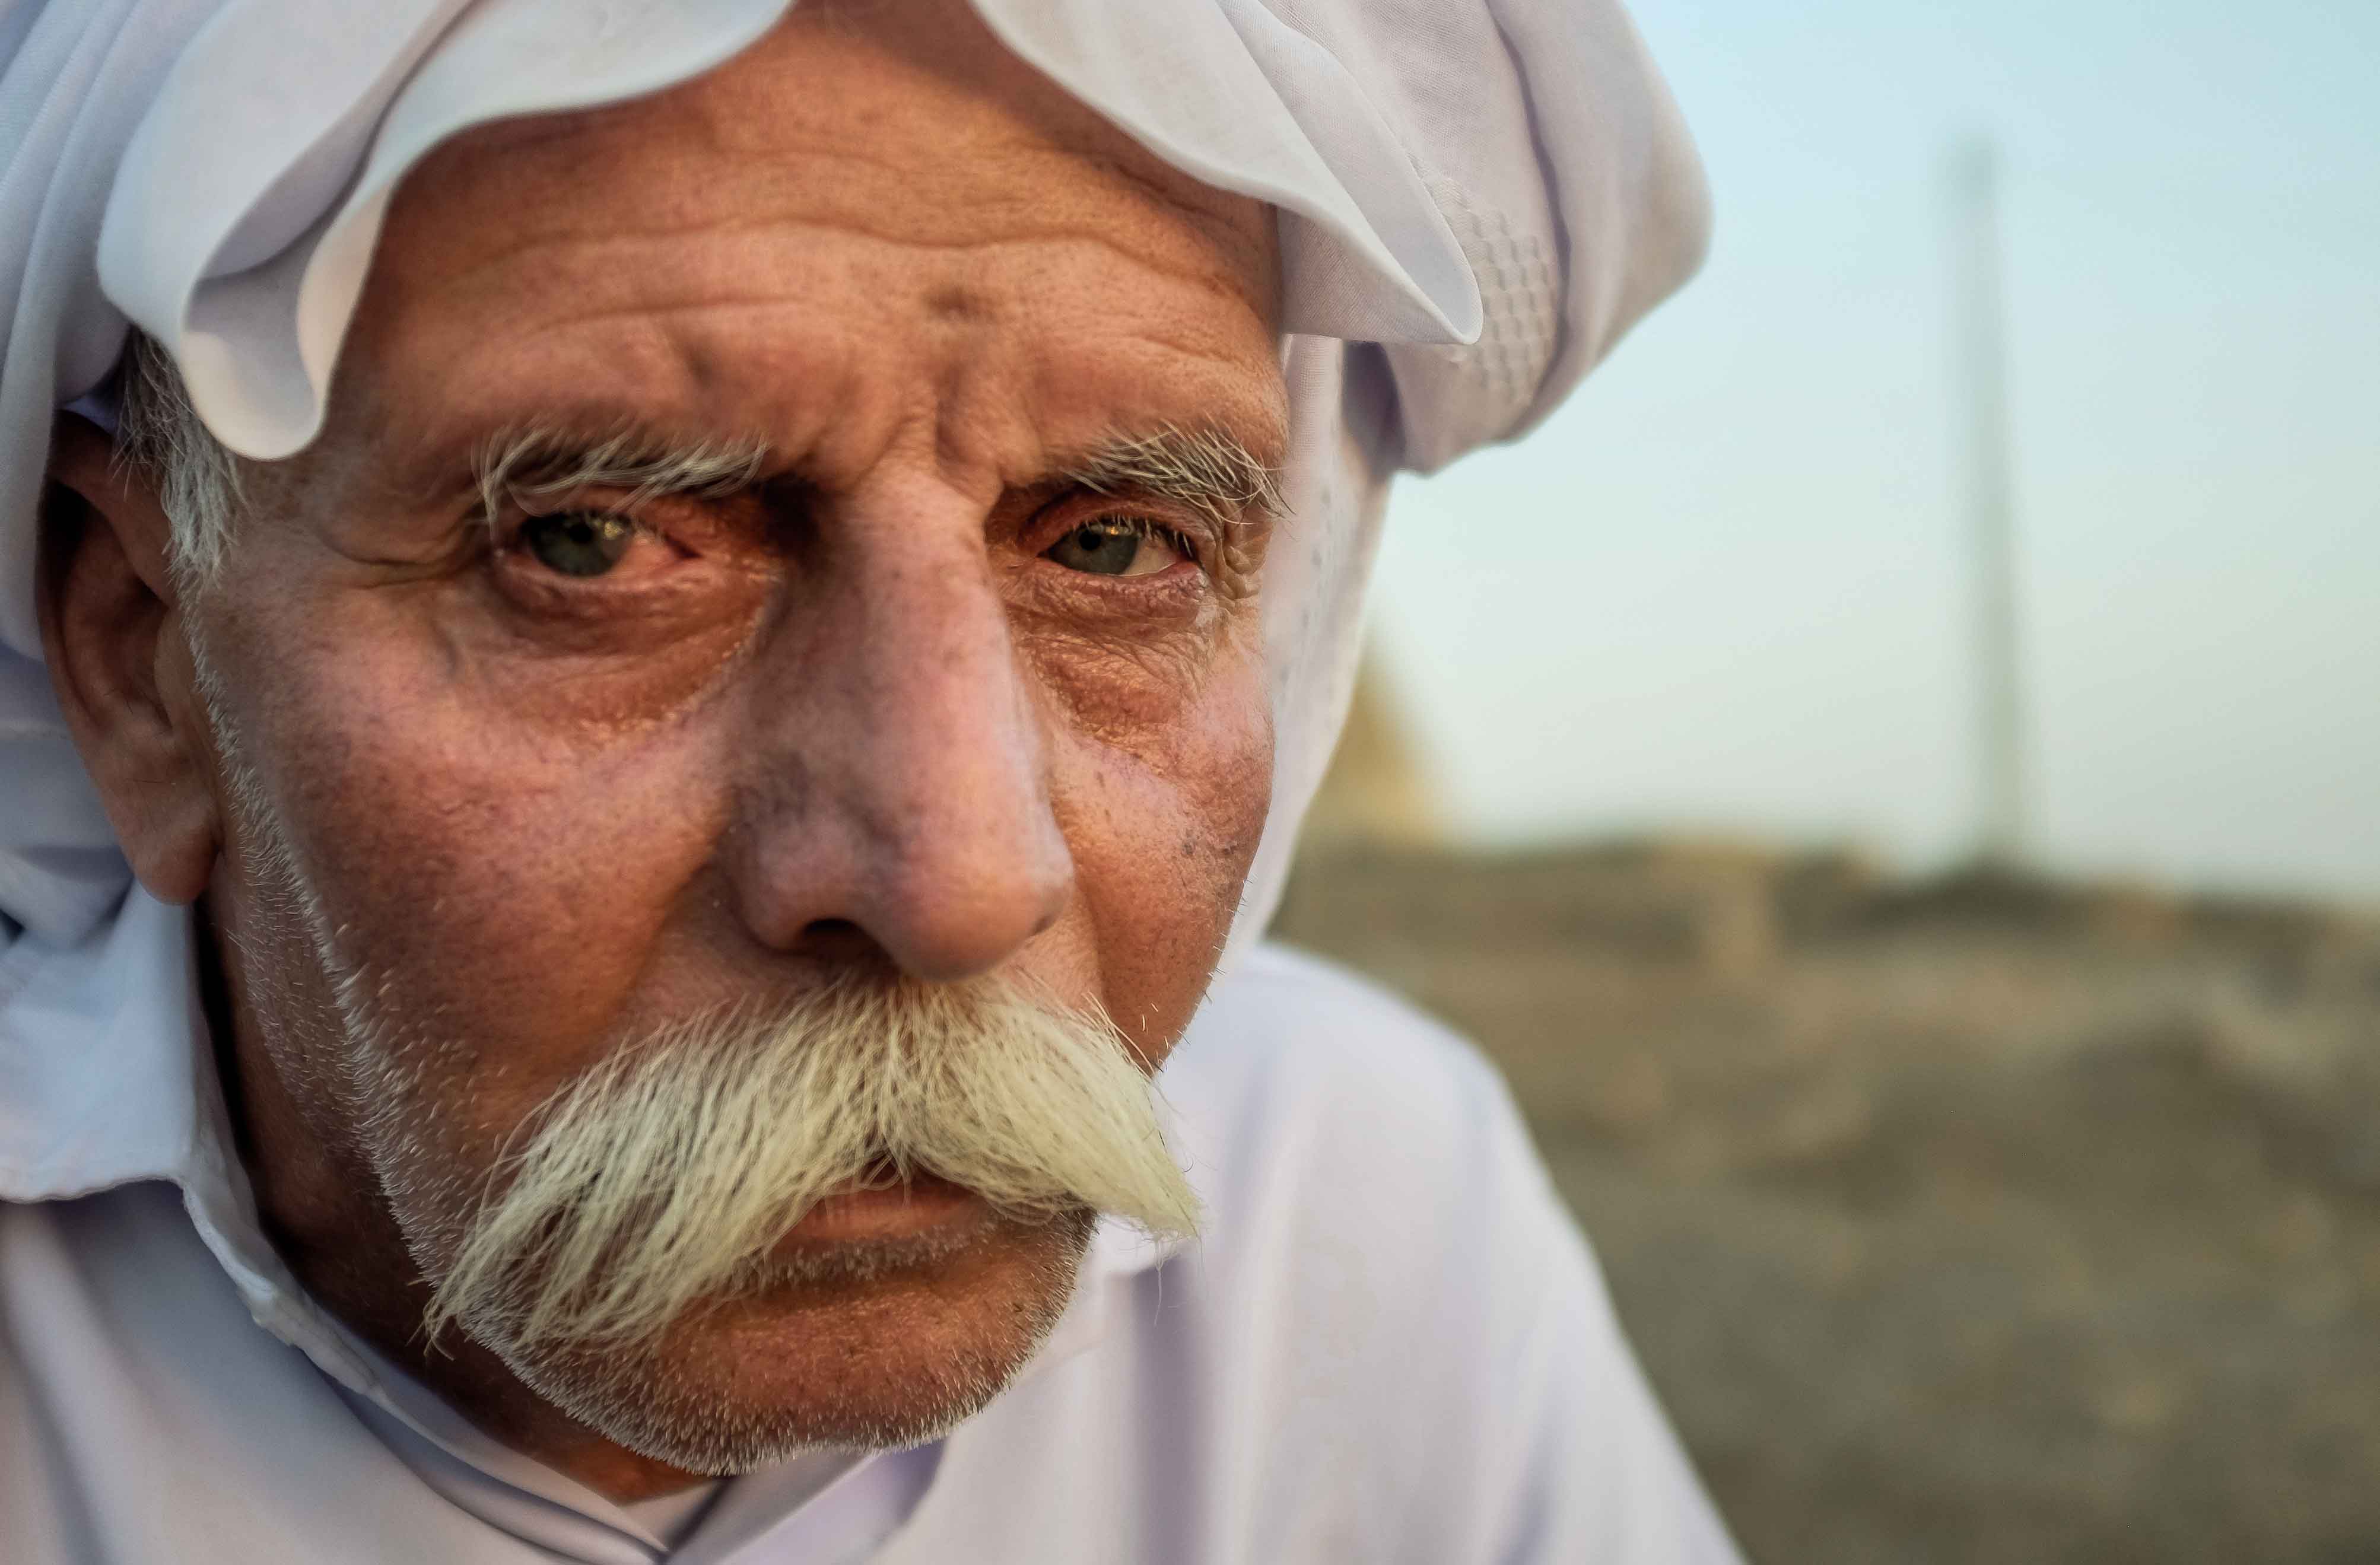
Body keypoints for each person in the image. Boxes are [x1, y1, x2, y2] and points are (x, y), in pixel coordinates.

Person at [0, 1, 1734, 1560]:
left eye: (1118, 544)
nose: (959, 877)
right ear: (140, 660)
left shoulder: (1355, 1190)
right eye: (595, 545)